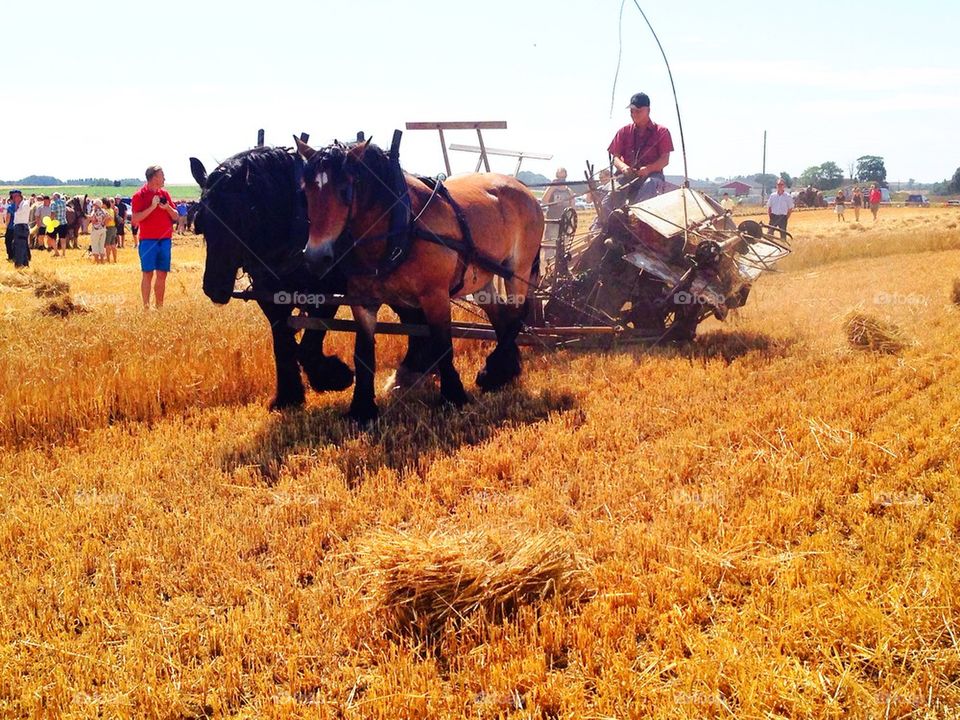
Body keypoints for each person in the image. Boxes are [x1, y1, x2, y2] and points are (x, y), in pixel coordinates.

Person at [601, 91, 674, 221]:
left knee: (650, 185)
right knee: (611, 195)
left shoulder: (661, 132)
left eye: (638, 111)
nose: (634, 114)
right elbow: (616, 158)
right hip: (627, 175)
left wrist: (648, 169)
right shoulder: (623, 131)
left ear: (648, 110)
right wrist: (623, 167)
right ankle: (601, 228)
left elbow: (665, 160)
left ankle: (636, 221)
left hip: (652, 176)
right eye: (632, 111)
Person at [131, 165, 177, 309]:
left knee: (162, 274)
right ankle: (146, 307)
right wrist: (152, 207)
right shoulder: (139, 196)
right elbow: (135, 219)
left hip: (165, 240)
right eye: (162, 175)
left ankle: (159, 306)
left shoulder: (165, 194)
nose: (164, 178)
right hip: (147, 240)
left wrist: (167, 207)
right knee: (148, 274)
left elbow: (176, 216)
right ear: (154, 177)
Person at [541, 167, 576, 248]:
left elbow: (573, 208)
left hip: (565, 223)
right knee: (550, 245)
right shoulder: (551, 189)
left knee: (563, 246)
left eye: (563, 178)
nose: (561, 180)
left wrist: (572, 225)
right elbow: (544, 201)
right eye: (559, 178)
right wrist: (552, 187)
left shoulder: (569, 191)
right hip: (552, 222)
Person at [10, 190, 32, 268]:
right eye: (13, 197)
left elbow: (19, 213)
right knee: (22, 246)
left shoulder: (25, 204)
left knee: (19, 246)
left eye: (15, 197)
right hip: (19, 226)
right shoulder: (20, 204)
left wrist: (16, 205)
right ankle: (24, 264)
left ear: (19, 196)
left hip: (21, 226)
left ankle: (19, 265)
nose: (14, 199)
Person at [50, 192, 69, 257]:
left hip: (55, 223)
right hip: (64, 223)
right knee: (63, 239)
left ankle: (56, 252)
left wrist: (50, 221)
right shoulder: (64, 202)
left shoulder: (53, 203)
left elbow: (53, 214)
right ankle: (63, 253)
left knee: (52, 238)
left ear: (55, 197)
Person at [89, 199, 107, 263]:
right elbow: (108, 217)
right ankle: (102, 260)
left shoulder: (94, 211)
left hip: (96, 230)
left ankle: (97, 261)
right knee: (101, 246)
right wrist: (103, 222)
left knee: (95, 245)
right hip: (103, 229)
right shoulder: (104, 211)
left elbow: (93, 220)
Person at [103, 197, 118, 263]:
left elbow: (109, 219)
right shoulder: (111, 210)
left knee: (107, 245)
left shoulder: (106, 211)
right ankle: (114, 260)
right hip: (113, 228)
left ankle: (108, 259)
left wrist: (103, 223)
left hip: (108, 228)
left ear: (105, 204)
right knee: (113, 244)